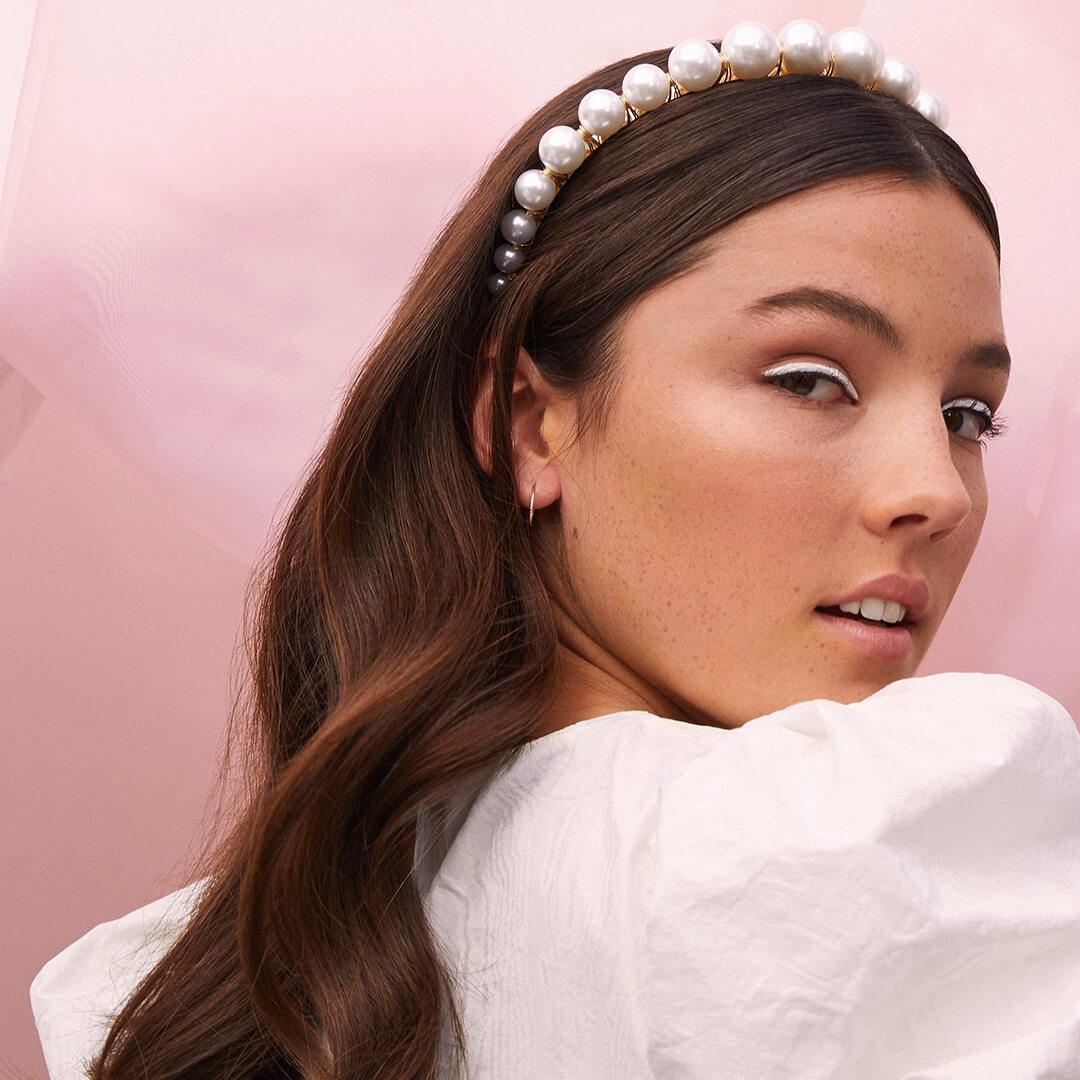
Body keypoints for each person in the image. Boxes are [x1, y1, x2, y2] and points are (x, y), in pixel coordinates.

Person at [29, 19, 1080, 1080]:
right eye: (809, 380)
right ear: (532, 424)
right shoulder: (870, 848)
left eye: (966, 415)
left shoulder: (202, 978)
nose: (937, 493)